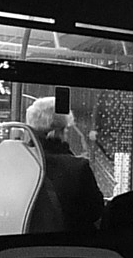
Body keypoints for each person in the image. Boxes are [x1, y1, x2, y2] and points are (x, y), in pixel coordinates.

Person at [27, 95, 105, 231]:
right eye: (66, 128)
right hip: (67, 247)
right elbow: (95, 212)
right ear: (59, 132)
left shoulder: (18, 161)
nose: (68, 133)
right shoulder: (77, 168)